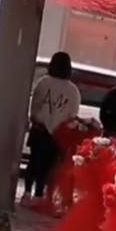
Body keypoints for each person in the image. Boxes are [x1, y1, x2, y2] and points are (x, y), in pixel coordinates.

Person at [22, 52, 80, 206]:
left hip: (39, 130)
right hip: (58, 134)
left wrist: (36, 119)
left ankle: (26, 194)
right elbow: (72, 114)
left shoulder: (43, 82)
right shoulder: (73, 90)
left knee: (33, 162)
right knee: (48, 167)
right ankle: (39, 195)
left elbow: (35, 105)